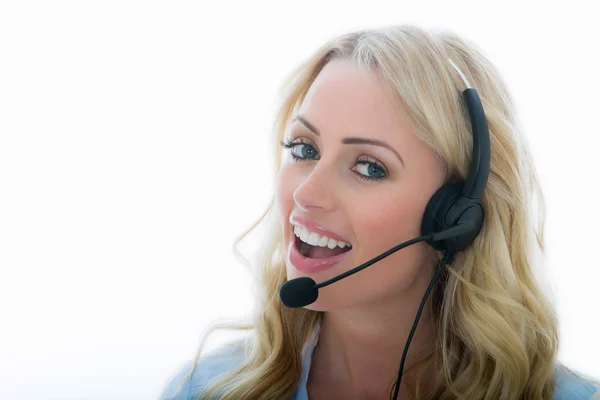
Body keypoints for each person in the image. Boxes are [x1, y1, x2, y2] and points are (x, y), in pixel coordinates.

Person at [159, 24, 600, 399]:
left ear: (456, 216)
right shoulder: (208, 388)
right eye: (304, 148)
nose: (307, 195)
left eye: (369, 167)